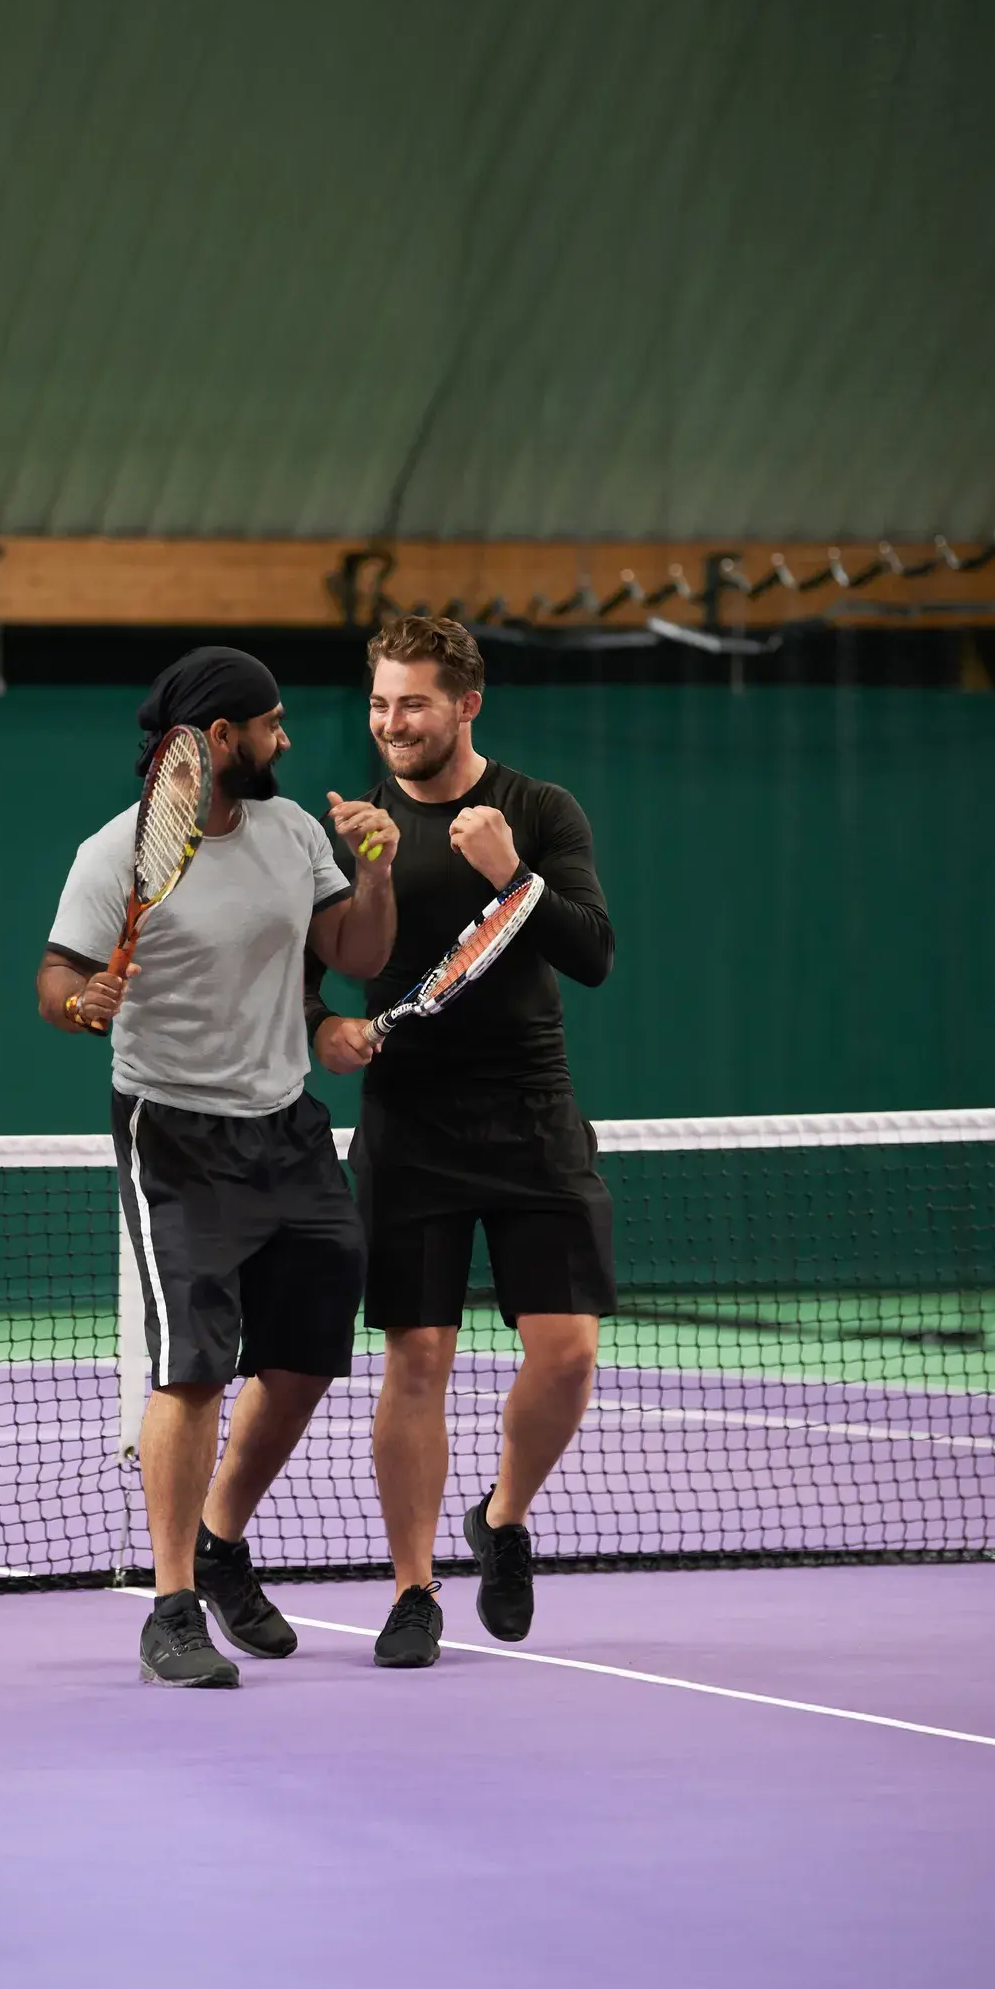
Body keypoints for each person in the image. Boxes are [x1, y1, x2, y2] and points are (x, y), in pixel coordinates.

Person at [38, 647, 398, 1688]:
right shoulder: (115, 854)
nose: (287, 737)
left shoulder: (291, 832)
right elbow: (57, 973)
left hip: (286, 1123)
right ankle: (171, 1603)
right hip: (176, 1132)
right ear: (219, 739)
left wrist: (373, 868)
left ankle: (222, 1536)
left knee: (307, 1358)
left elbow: (359, 953)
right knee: (192, 1365)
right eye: (272, 722)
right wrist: (78, 1003)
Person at [307, 615, 615, 1668]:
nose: (392, 723)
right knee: (418, 1357)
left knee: (568, 1355)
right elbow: (307, 967)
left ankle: (504, 1515)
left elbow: (594, 955)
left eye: (414, 704)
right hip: (409, 1126)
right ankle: (411, 1588)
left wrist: (512, 874)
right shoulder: (354, 830)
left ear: (467, 704)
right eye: (380, 704)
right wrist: (322, 1031)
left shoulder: (537, 810)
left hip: (532, 1115)